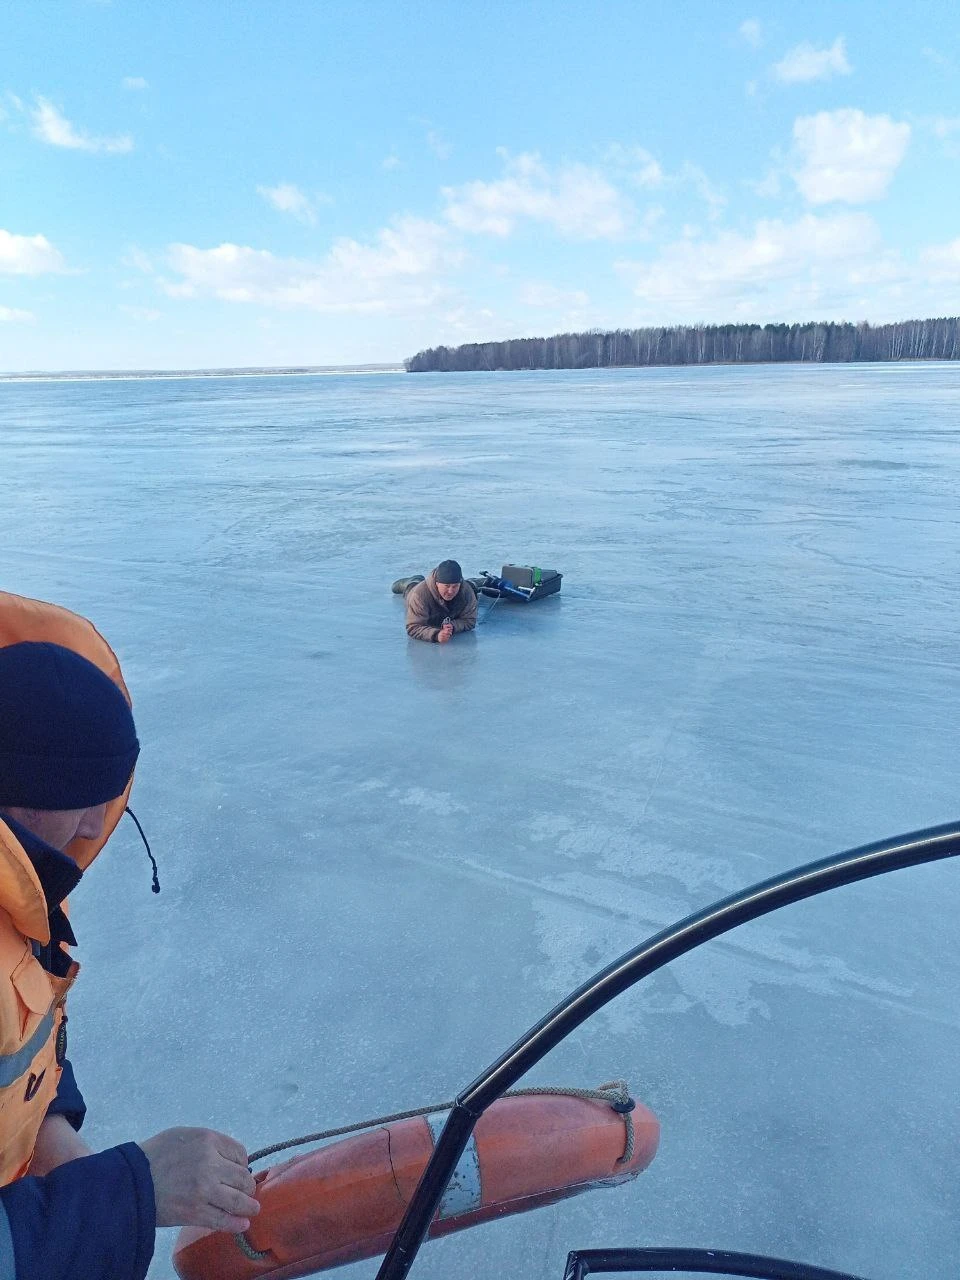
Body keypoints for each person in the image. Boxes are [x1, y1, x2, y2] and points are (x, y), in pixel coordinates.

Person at [0, 590, 259, 1280]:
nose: (93, 830)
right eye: (85, 801)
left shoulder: (16, 901)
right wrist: (130, 1192)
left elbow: (19, 1050)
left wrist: (54, 1141)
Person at [399, 560, 477, 643]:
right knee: (412, 586)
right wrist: (436, 635)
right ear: (437, 583)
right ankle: (413, 580)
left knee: (472, 587)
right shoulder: (419, 595)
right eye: (447, 586)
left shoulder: (467, 591)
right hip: (413, 589)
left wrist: (453, 626)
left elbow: (470, 620)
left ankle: (474, 582)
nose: (450, 591)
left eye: (455, 586)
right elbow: (413, 627)